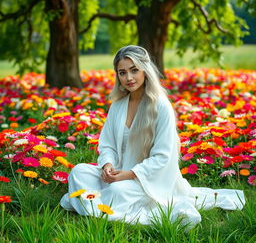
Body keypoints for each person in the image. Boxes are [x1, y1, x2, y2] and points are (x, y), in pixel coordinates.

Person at [60, 45, 245, 226]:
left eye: (134, 70)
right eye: (122, 72)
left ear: (145, 70)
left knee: (117, 191)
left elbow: (163, 157)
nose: (129, 78)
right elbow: (107, 144)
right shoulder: (118, 105)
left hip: (147, 180)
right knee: (78, 172)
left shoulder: (160, 106)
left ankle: (94, 206)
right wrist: (107, 165)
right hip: (118, 172)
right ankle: (101, 205)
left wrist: (130, 174)